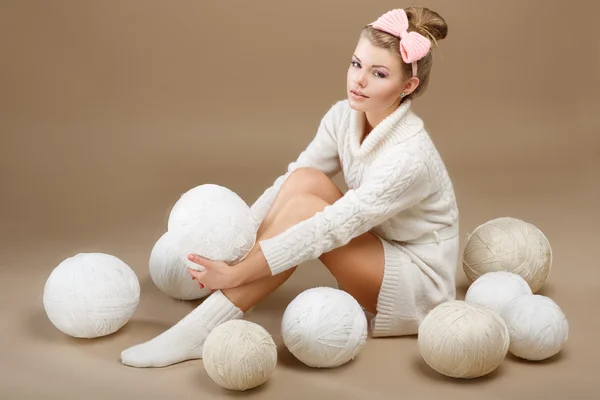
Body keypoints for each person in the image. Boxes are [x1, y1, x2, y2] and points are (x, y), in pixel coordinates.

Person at [120, 6, 460, 368]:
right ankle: (227, 294)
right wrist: (237, 248)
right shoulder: (344, 116)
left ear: (408, 86)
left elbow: (329, 227)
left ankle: (201, 328)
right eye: (356, 63)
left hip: (416, 282)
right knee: (305, 180)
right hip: (378, 245)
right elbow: (295, 179)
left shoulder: (410, 156)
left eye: (378, 74)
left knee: (308, 211)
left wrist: (237, 273)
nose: (358, 80)